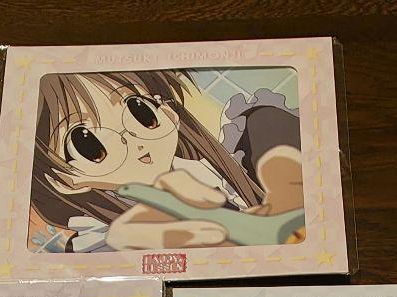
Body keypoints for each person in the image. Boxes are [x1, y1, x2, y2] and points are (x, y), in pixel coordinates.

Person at [30, 69, 303, 252]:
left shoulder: (220, 167)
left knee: (264, 120)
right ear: (62, 180)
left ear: (169, 114)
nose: (132, 139)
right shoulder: (100, 241)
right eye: (89, 144)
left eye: (141, 111)